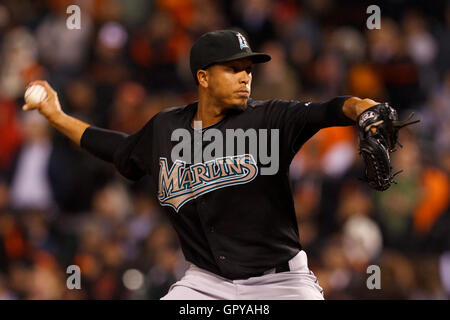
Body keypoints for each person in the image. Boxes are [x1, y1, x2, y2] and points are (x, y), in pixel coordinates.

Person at [23, 30, 383, 300]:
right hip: (206, 284)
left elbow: (331, 108)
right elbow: (117, 147)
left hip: (280, 284)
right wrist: (55, 116)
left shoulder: (271, 118)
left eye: (248, 69)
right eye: (233, 69)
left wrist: (363, 108)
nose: (246, 77)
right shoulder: (166, 128)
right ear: (203, 77)